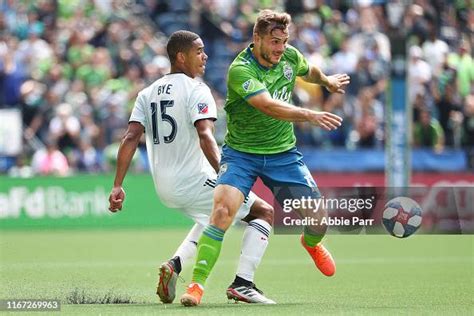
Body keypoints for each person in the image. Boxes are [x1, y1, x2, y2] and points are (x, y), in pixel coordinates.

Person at [181, 10, 350, 306]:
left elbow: (307, 70)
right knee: (221, 212)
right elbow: (267, 105)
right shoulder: (240, 69)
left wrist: (327, 82)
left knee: (319, 222)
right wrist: (309, 114)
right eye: (274, 41)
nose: (279, 48)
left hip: (283, 155)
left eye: (284, 41)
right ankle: (196, 286)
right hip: (242, 154)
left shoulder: (289, 57)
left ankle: (310, 243)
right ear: (256, 38)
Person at [107, 30, 276, 304]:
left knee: (211, 217)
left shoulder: (146, 93)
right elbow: (206, 135)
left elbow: (130, 138)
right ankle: (243, 283)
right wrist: (228, 175)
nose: (205, 56)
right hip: (194, 178)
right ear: (181, 57)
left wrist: (117, 185)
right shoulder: (196, 89)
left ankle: (175, 265)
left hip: (164, 186)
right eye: (199, 51)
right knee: (263, 212)